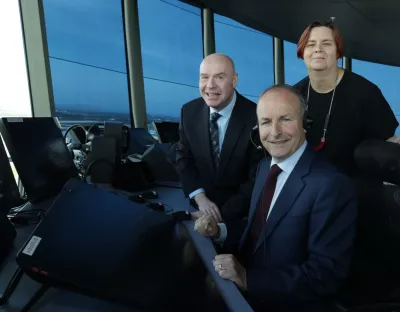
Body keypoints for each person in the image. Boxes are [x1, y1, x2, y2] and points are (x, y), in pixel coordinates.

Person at [195, 85, 358, 312]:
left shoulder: (331, 184)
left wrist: (248, 279)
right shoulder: (265, 167)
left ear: (304, 124)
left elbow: (325, 273)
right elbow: (261, 229)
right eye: (265, 122)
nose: (275, 132)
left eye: (285, 119)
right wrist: (220, 231)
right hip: (241, 291)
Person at [294, 20, 399, 177]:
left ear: (338, 52)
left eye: (326, 43)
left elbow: (386, 150)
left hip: (357, 186)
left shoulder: (366, 93)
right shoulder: (293, 96)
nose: (318, 49)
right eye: (311, 44)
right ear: (302, 52)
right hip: (309, 183)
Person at [176, 53, 261, 222]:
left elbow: (257, 177)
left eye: (219, 77)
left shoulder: (256, 116)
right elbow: (183, 159)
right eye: (204, 77)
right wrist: (200, 198)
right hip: (198, 210)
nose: (210, 85)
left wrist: (219, 216)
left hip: (240, 218)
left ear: (234, 80)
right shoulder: (189, 112)